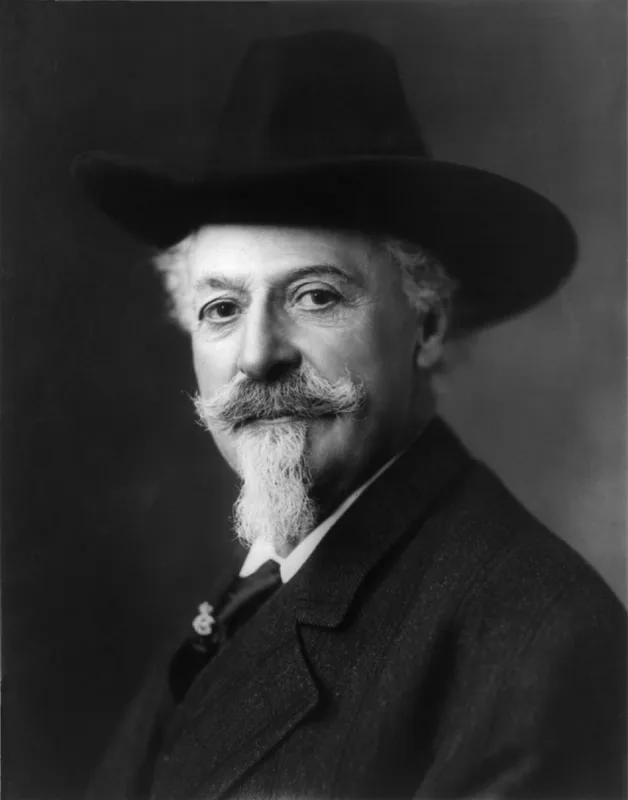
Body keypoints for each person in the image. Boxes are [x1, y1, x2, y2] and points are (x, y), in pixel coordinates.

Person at [74, 29, 626, 800]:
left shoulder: (536, 639)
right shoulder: (251, 590)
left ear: (427, 326)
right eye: (223, 307)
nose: (258, 355)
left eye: (315, 297)